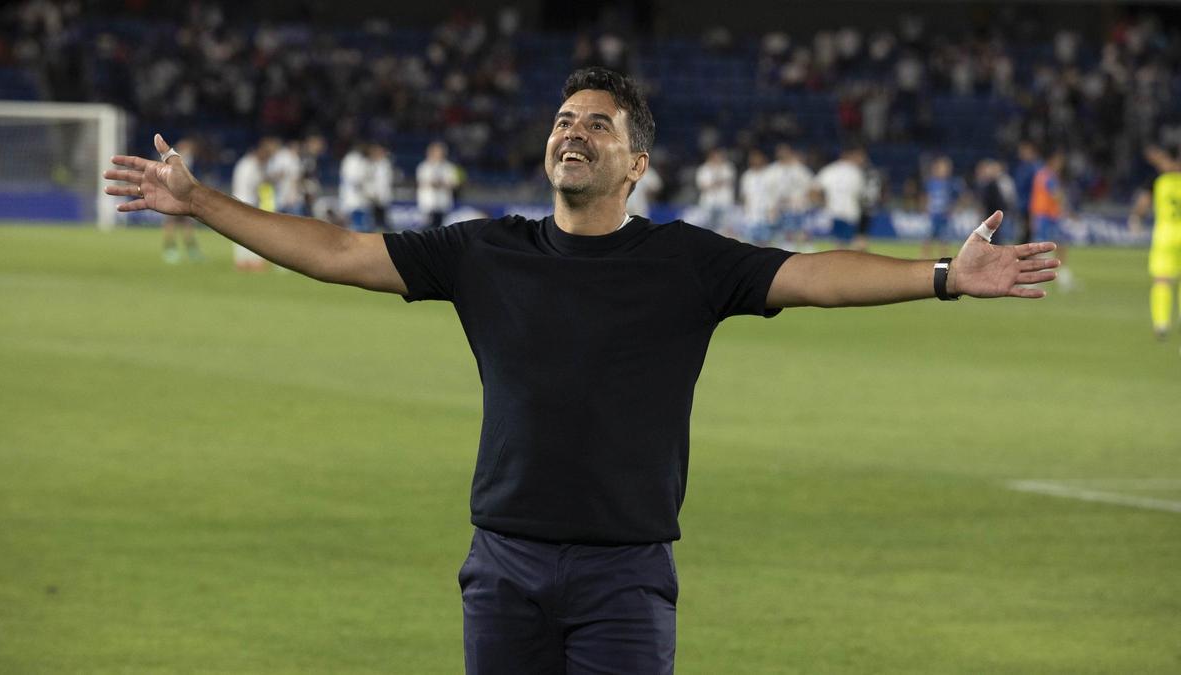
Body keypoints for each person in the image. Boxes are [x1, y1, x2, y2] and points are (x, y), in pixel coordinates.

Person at [105, 67, 1058, 675]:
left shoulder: (687, 260)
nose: (573, 131)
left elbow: (811, 275)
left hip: (625, 572)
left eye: (597, 125)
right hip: (505, 564)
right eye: (564, 118)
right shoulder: (484, 250)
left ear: (636, 160)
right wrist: (199, 202)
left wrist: (941, 275)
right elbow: (338, 250)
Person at [1131, 145, 1181, 340]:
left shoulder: (1157, 180)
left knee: (1161, 279)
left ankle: (1161, 324)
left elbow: (1143, 203)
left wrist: (1135, 218)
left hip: (1165, 235)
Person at [229, 139, 277, 271]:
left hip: (240, 199)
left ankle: (244, 261)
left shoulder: (245, 163)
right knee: (249, 233)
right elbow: (255, 184)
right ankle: (250, 262)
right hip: (246, 201)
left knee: (241, 232)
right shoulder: (250, 165)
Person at [1029, 148, 1074, 290]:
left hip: (1046, 216)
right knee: (1045, 247)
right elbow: (1056, 195)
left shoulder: (1043, 174)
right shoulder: (1047, 175)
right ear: (1053, 160)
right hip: (1046, 216)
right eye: (1059, 160)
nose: (1061, 163)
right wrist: (1066, 205)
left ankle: (1060, 276)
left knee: (1057, 244)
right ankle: (1033, 279)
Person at [812, 144, 868, 249]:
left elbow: (814, 189)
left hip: (834, 211)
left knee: (839, 245)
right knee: (855, 244)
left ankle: (840, 264)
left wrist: (822, 203)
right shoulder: (856, 171)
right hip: (851, 213)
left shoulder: (829, 169)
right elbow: (863, 195)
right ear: (851, 155)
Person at [161, 138, 203, 263]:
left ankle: (190, 250)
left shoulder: (184, 160)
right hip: (174, 196)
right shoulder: (178, 161)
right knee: (172, 224)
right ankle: (171, 250)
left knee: (185, 224)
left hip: (183, 195)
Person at [766, 144, 814, 251]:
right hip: (781, 207)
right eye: (781, 152)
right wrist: (771, 206)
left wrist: (804, 200)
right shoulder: (772, 170)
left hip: (799, 206)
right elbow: (769, 192)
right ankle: (788, 251)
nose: (783, 154)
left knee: (804, 231)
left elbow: (810, 186)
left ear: (790, 153)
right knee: (786, 233)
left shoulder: (800, 169)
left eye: (785, 152)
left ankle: (809, 251)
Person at [921, 155, 962, 258]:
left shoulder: (951, 183)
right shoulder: (931, 183)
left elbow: (956, 198)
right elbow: (926, 197)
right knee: (928, 238)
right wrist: (925, 208)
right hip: (933, 215)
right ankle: (924, 257)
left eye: (947, 168)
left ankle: (943, 258)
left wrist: (953, 209)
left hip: (944, 216)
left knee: (944, 239)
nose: (945, 171)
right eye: (943, 168)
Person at [416, 141, 460, 230]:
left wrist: (443, 183)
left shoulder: (449, 167)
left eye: (439, 152)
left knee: (441, 228)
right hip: (428, 201)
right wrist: (432, 183)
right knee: (427, 228)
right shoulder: (424, 166)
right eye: (435, 151)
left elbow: (455, 183)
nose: (437, 154)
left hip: (443, 201)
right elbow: (421, 182)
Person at [695, 147, 736, 235]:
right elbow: (702, 186)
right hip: (709, 202)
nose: (718, 158)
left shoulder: (728, 167)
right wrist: (715, 183)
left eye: (720, 156)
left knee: (724, 227)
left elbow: (729, 181)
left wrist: (714, 182)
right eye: (716, 156)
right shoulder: (703, 169)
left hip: (724, 201)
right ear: (710, 157)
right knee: (708, 227)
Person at [739, 148, 775, 244]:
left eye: (757, 158)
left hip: (766, 213)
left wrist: (772, 208)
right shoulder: (747, 176)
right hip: (751, 215)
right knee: (750, 244)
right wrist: (746, 212)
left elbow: (773, 194)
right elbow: (745, 196)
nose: (755, 161)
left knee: (766, 243)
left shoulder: (769, 174)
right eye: (753, 159)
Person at [1012, 141, 1042, 245]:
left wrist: (1033, 209)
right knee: (1024, 234)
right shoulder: (1021, 167)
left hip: (1031, 207)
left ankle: (1023, 258)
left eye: (1024, 150)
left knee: (1028, 234)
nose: (1021, 153)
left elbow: (1036, 191)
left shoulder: (1035, 168)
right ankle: (1021, 258)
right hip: (1022, 206)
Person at [339, 143, 371, 232]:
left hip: (349, 197)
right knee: (356, 227)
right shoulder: (354, 160)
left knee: (352, 225)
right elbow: (356, 179)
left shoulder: (349, 159)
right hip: (354, 197)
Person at [367, 143, 395, 233]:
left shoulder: (385, 165)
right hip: (373, 198)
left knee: (383, 220)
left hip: (381, 197)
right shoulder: (372, 164)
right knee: (374, 221)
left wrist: (378, 195)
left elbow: (383, 183)